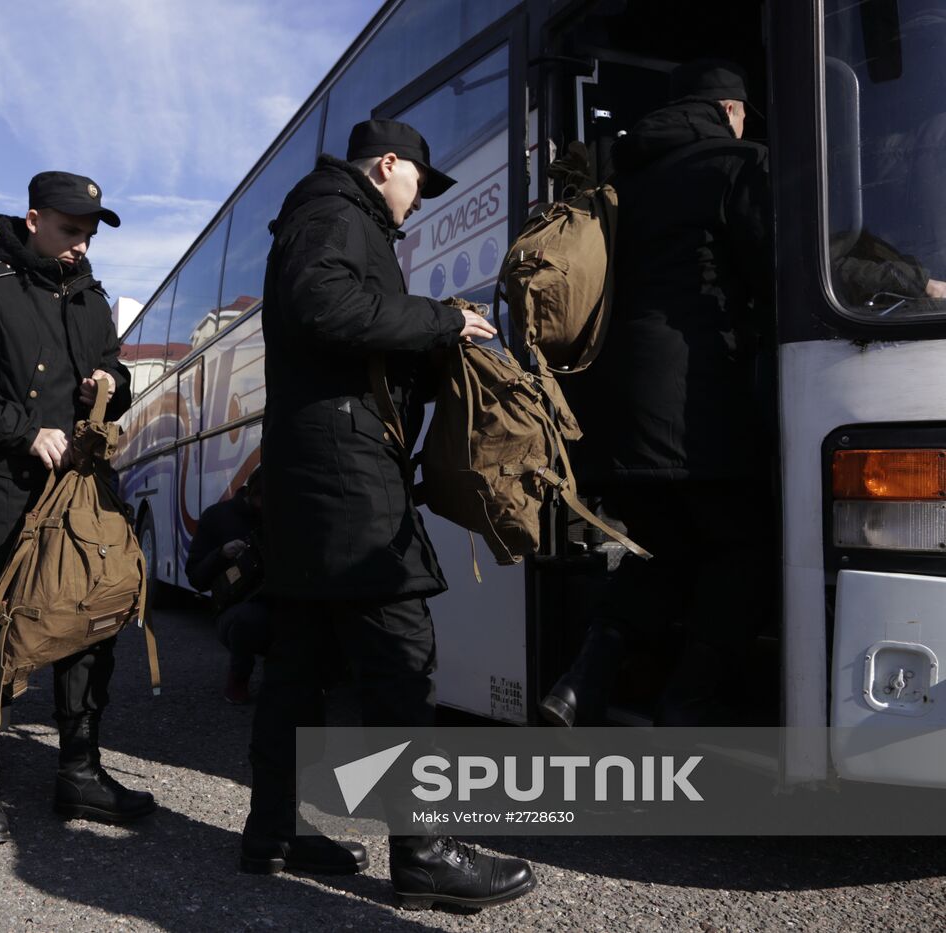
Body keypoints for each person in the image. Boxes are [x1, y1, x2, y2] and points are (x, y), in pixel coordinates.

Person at [241, 118, 535, 909]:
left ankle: (270, 830)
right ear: (389, 165)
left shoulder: (323, 214)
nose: (417, 203)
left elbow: (344, 329)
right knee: (401, 651)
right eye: (417, 185)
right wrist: (443, 319)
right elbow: (324, 307)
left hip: (313, 472)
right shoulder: (339, 214)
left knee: (298, 663)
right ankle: (424, 851)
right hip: (346, 475)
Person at [0, 171, 152, 846]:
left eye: (87, 234)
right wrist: (22, 427)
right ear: (32, 219)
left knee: (92, 621)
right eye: (70, 229)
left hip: (80, 493)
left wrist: (113, 382)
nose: (80, 245)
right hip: (3, 490)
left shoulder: (91, 299)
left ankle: (79, 771)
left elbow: (117, 368)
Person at [546, 60, 776, 729]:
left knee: (665, 548)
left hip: (607, 411)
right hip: (693, 405)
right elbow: (777, 269)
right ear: (730, 111)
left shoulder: (620, 184)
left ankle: (580, 681)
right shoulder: (739, 164)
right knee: (751, 548)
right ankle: (688, 699)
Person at [185, 466, 268, 704]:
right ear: (253, 494)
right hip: (233, 608)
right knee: (249, 619)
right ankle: (238, 678)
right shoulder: (218, 516)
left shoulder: (282, 517)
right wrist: (221, 554)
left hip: (276, 600)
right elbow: (196, 578)